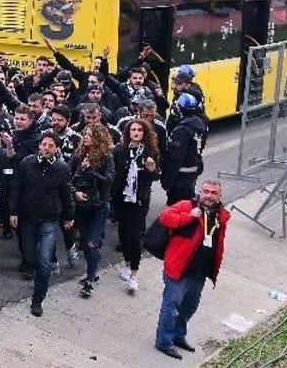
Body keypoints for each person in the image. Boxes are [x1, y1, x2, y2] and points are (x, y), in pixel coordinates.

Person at [154, 181, 229, 359]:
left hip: (199, 272)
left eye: (213, 193)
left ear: (219, 196)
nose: (209, 196)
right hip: (178, 270)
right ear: (199, 192)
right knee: (171, 307)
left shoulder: (220, 216)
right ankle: (164, 342)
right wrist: (188, 216)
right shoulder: (187, 206)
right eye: (206, 192)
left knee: (189, 308)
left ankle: (178, 336)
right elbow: (165, 218)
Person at [10, 132, 75, 317]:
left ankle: (38, 299)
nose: (46, 148)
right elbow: (16, 187)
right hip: (28, 217)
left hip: (49, 219)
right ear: (39, 145)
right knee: (29, 257)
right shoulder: (27, 163)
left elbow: (66, 194)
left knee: (44, 262)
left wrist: (69, 217)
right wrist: (13, 211)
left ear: (56, 148)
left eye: (50, 145)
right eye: (44, 144)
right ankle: (31, 267)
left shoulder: (62, 168)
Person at [112, 119, 160, 294]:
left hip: (139, 200)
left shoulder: (150, 152)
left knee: (135, 236)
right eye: (133, 129)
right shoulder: (120, 150)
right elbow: (114, 173)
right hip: (122, 198)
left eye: (140, 130)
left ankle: (134, 274)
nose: (136, 132)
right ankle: (126, 263)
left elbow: (156, 176)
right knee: (123, 234)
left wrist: (151, 169)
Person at [70, 125, 115, 299]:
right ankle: (92, 271)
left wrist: (92, 171)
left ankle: (89, 280)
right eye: (85, 134)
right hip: (81, 207)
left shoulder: (106, 157)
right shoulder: (78, 154)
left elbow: (109, 180)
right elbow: (68, 176)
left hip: (98, 206)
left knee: (91, 242)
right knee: (85, 242)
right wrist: (75, 192)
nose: (86, 138)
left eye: (90, 135)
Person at [162, 94, 207, 204]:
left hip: (180, 176)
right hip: (193, 170)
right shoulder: (200, 124)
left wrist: (167, 180)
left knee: (176, 207)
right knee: (188, 203)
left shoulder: (181, 131)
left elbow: (175, 158)